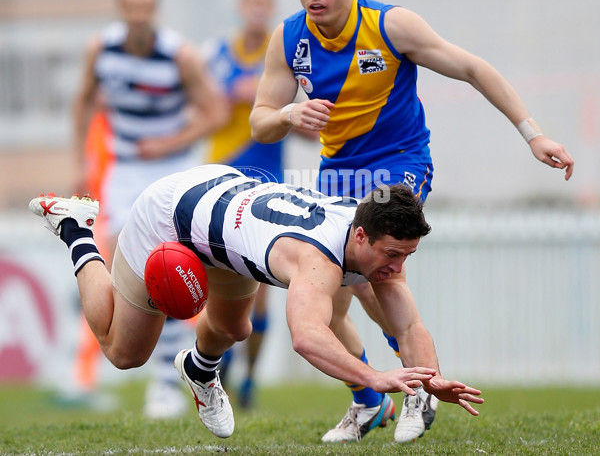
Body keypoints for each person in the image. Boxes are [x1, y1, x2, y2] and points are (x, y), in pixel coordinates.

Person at [248, 0, 574, 443]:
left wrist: (532, 134)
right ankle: (368, 402)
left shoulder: (389, 24)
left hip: (398, 165)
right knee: (328, 301)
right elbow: (259, 122)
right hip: (338, 174)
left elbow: (470, 67)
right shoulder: (289, 38)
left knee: (382, 270)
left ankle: (419, 390)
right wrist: (289, 112)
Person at [29, 163, 484, 440]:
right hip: (169, 216)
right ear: (361, 237)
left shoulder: (370, 230)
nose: (398, 268)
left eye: (407, 256)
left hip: (223, 208)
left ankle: (198, 370)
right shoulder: (317, 260)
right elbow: (306, 337)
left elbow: (409, 326)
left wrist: (430, 382)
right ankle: (76, 230)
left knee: (233, 329)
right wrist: (374, 377)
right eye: (392, 255)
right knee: (125, 353)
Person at [71, 0, 228, 418]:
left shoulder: (180, 55)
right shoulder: (101, 49)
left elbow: (215, 113)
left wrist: (169, 142)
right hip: (124, 170)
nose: (138, 16)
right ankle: (135, 362)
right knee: (126, 262)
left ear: (154, 10)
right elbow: (83, 100)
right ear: (123, 9)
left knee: (170, 265)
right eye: (131, 8)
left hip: (170, 169)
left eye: (146, 8)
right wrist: (81, 157)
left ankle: (164, 383)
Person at [201, 0, 281, 407]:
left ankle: (249, 375)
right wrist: (230, 97)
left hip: (268, 179)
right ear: (240, 4)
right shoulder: (214, 55)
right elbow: (201, 113)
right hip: (220, 177)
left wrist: (274, 104)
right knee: (220, 279)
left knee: (261, 286)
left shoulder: (281, 54)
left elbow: (299, 121)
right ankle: (219, 366)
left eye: (264, 2)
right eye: (251, 0)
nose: (257, 8)